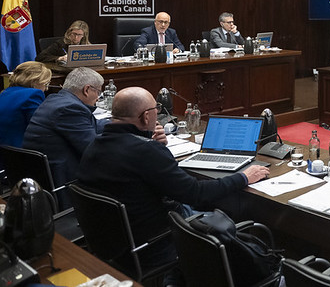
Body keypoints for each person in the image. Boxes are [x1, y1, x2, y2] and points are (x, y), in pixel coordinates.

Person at [76, 87, 269, 285]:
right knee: (225, 214)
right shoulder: (145, 151)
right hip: (153, 246)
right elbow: (196, 194)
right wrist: (243, 177)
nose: (158, 115)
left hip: (112, 243)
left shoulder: (96, 144)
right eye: (156, 110)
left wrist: (154, 146)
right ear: (145, 117)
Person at [22, 67, 107, 190]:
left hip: (43, 176)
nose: (98, 98)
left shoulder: (55, 100)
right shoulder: (70, 109)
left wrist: (115, 123)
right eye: (98, 92)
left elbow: (87, 125)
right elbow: (93, 151)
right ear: (87, 90)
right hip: (64, 182)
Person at [0, 62, 52, 153]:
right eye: (46, 84)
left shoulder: (5, 92)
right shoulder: (33, 94)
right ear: (35, 81)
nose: (46, 89)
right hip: (19, 152)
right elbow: (40, 127)